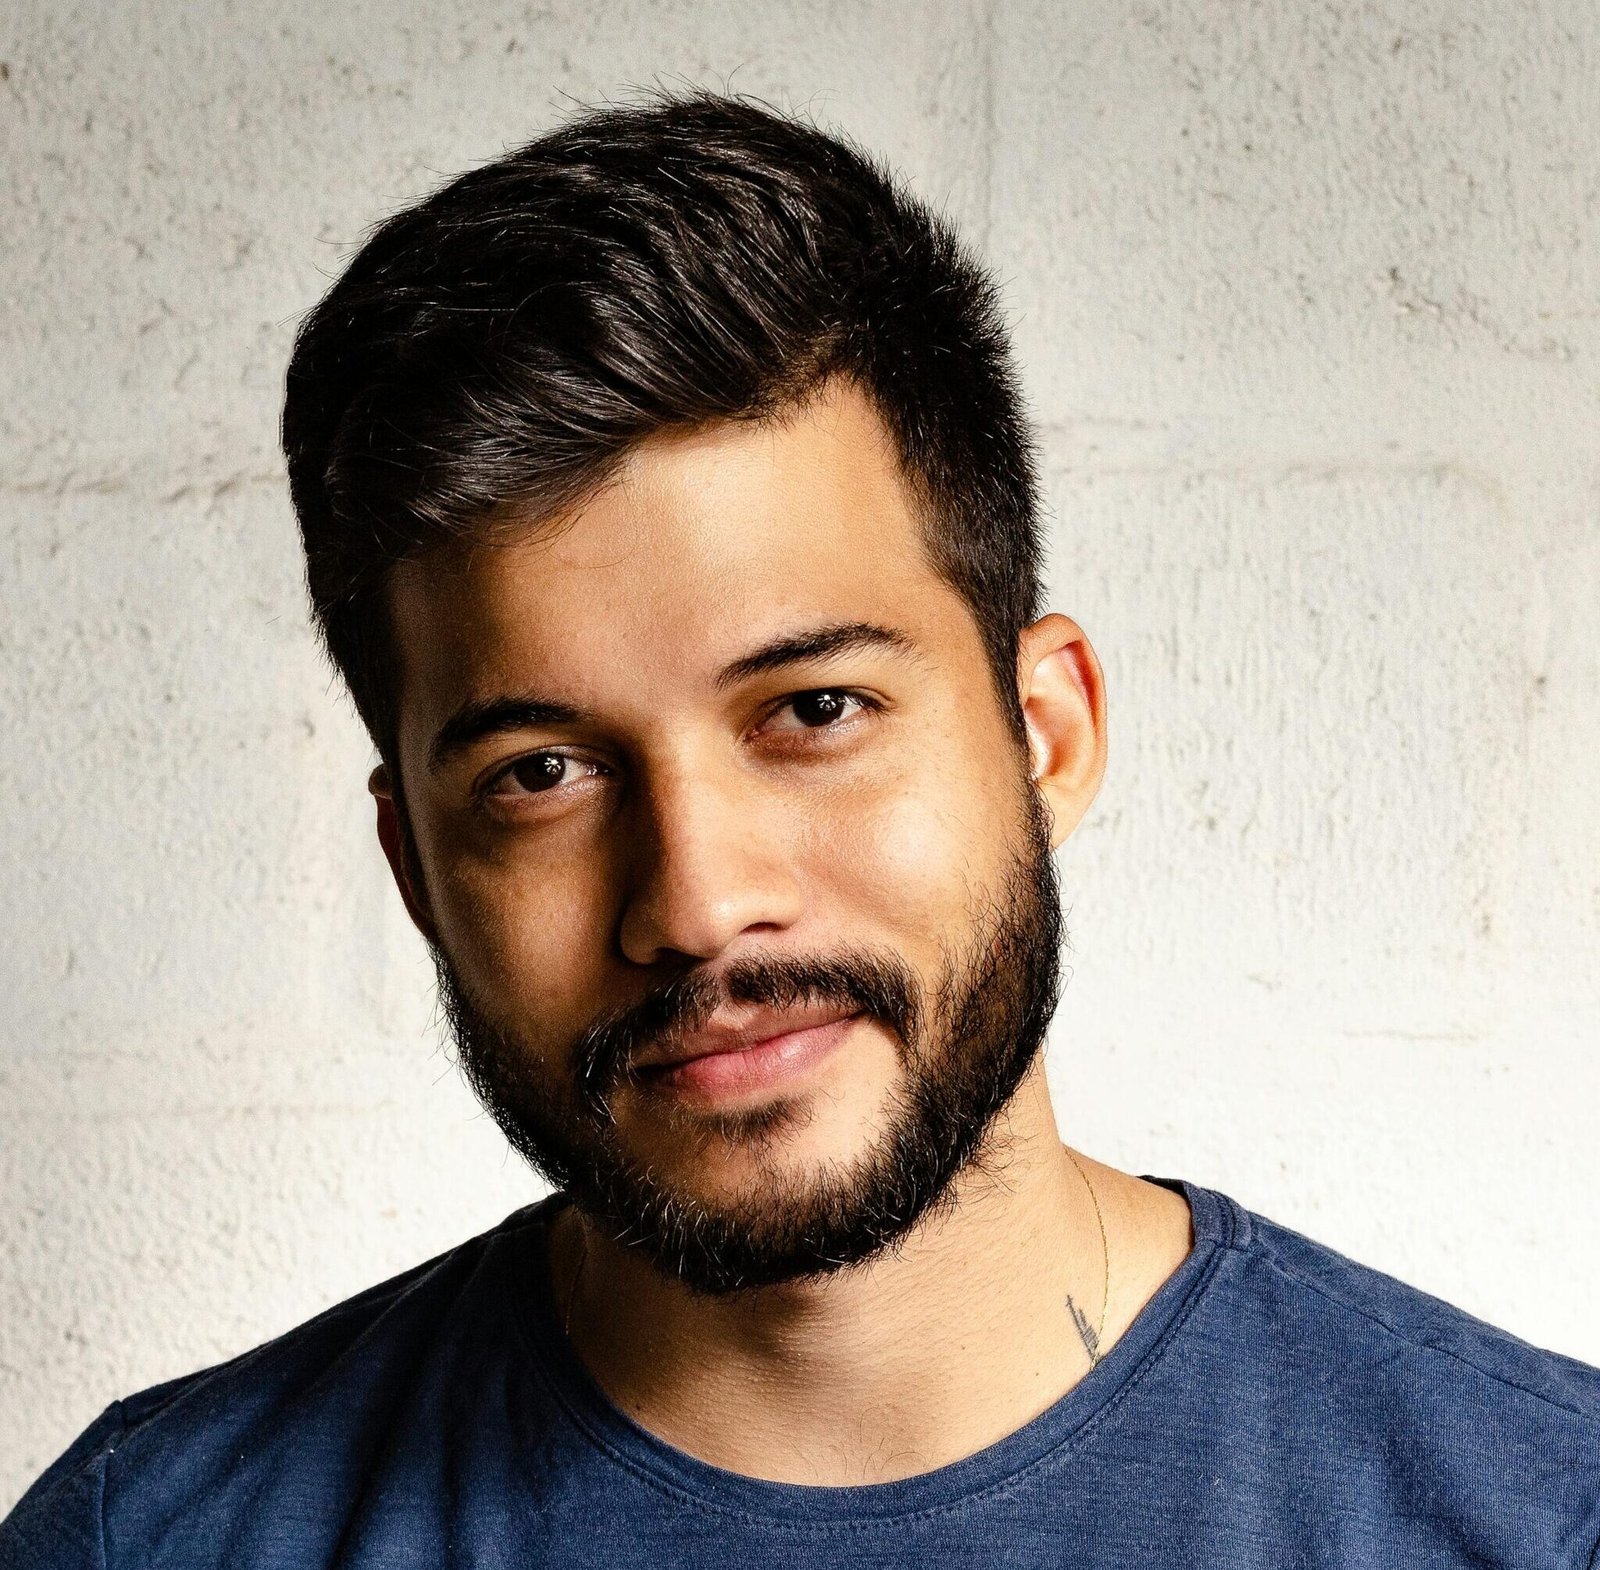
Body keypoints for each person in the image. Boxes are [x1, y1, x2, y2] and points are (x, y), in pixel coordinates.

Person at [3, 90, 1597, 1569]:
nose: (696, 902)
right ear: (416, 869)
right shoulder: (149, 1537)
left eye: (815, 709)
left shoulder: (1535, 1518)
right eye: (541, 772)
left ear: (1048, 731)